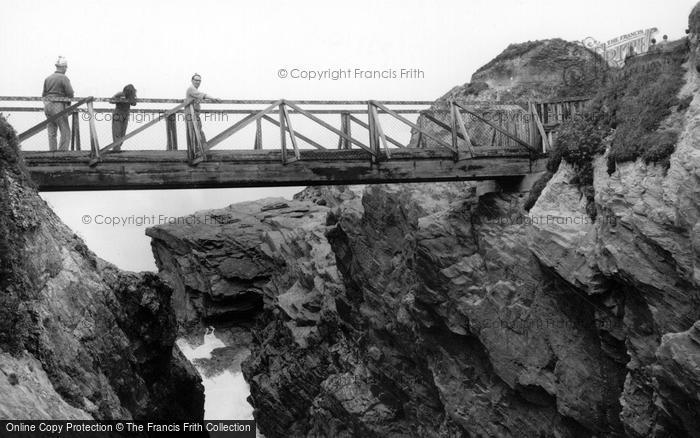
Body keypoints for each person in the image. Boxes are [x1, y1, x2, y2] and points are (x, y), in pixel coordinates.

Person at [42, 56, 74, 151]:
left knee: (52, 130)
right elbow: (70, 93)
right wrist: (67, 101)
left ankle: (52, 152)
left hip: (47, 105)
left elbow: (43, 94)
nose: (66, 69)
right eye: (65, 67)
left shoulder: (48, 78)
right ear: (63, 67)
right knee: (65, 131)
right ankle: (62, 152)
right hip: (58, 105)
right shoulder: (64, 78)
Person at [184, 73, 220, 147]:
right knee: (196, 132)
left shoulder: (193, 90)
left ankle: (199, 149)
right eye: (196, 80)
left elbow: (200, 96)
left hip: (194, 114)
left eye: (199, 80)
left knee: (197, 132)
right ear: (192, 80)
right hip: (191, 115)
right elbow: (203, 95)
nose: (198, 82)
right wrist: (214, 98)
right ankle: (201, 149)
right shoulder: (191, 89)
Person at [110, 84, 137, 151]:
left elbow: (134, 104)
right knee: (116, 132)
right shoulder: (120, 94)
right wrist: (119, 99)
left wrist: (131, 98)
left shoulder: (132, 96)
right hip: (117, 115)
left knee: (122, 133)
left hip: (125, 115)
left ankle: (118, 146)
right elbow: (111, 101)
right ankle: (116, 148)